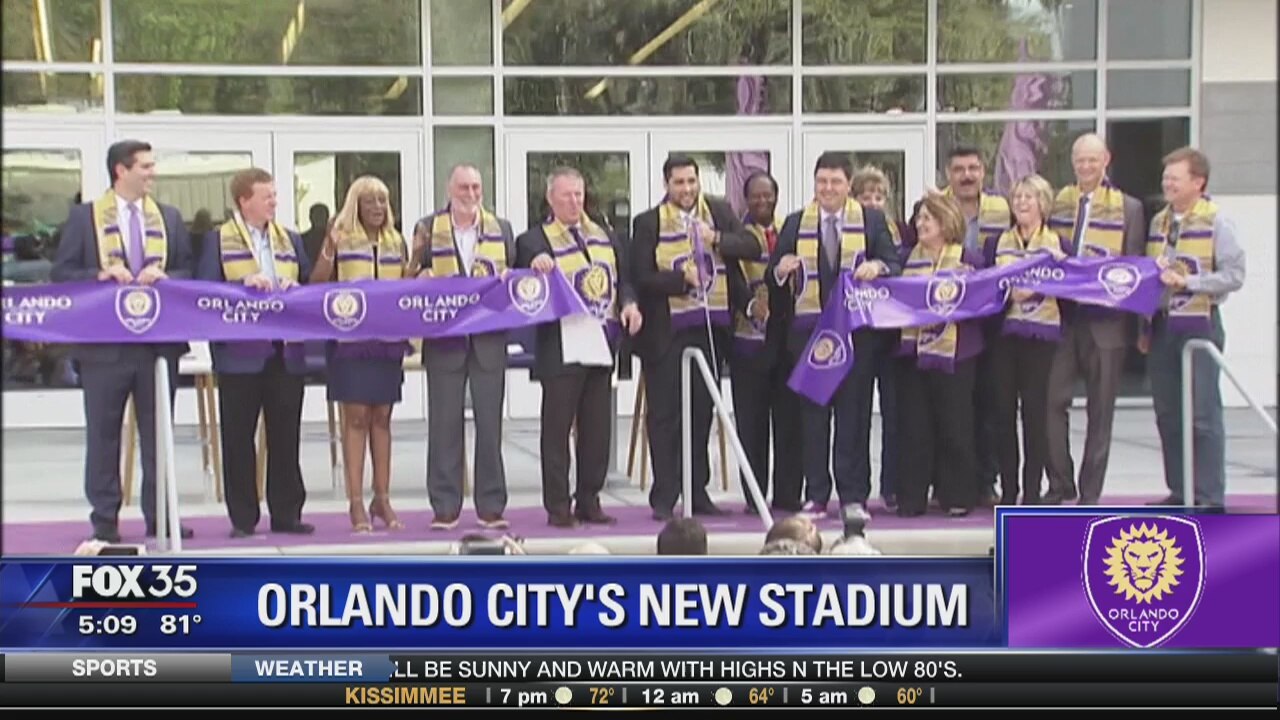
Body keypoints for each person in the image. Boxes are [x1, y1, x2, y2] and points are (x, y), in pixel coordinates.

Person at [51, 139, 194, 543]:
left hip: (157, 346)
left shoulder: (168, 217)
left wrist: (167, 278)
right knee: (104, 436)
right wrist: (98, 276)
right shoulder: (85, 218)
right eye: (145, 166)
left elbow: (188, 269)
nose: (153, 173)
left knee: (158, 438)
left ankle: (161, 516)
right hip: (103, 348)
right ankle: (105, 520)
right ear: (121, 171)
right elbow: (61, 273)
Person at [768, 152, 901, 521]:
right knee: (812, 420)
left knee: (853, 419)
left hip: (856, 338)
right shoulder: (796, 223)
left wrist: (879, 266)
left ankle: (852, 495)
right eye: (822, 182)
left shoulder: (871, 221)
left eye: (836, 182)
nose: (828, 189)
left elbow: (895, 262)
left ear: (848, 185)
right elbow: (772, 273)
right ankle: (816, 494)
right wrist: (781, 269)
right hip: (810, 339)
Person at [631, 154, 759, 521]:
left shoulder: (717, 211)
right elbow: (639, 275)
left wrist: (716, 238)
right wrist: (678, 281)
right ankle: (665, 494)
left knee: (701, 413)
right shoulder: (648, 222)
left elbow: (750, 246)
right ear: (666, 185)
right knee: (666, 416)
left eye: (691, 181)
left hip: (709, 327)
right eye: (679, 183)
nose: (686, 189)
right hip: (665, 331)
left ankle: (696, 490)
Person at [516, 167, 643, 527]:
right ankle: (558, 506)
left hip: (601, 342)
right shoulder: (534, 238)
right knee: (556, 430)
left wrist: (630, 305)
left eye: (578, 195)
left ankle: (590, 498)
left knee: (597, 429)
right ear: (550, 199)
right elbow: (522, 275)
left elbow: (625, 281)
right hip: (562, 344)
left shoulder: (605, 236)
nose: (574, 202)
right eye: (566, 196)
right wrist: (534, 264)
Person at [198, 167, 314, 538]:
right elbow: (205, 292)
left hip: (285, 351)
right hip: (239, 353)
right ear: (243, 201)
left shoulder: (290, 239)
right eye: (267, 197)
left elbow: (311, 285)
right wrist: (241, 286)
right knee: (238, 436)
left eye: (275, 196)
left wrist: (296, 285)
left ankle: (287, 513)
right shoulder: (218, 240)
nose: (274, 203)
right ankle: (243, 518)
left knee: (285, 435)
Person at [1044, 133, 1148, 505]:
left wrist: (1141, 328)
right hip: (1065, 318)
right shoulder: (1060, 203)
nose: (1085, 167)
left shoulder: (1129, 208)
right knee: (1050, 403)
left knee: (1100, 413)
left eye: (1092, 160)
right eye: (1079, 160)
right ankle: (1060, 483)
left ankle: (1091, 492)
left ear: (1106, 159)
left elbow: (1135, 269)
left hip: (1108, 324)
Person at [413, 164, 515, 530]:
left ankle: (491, 506)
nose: (469, 193)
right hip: (445, 341)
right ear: (448, 189)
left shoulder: (501, 228)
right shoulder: (427, 226)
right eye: (463, 187)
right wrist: (420, 276)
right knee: (444, 425)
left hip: (488, 341)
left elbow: (515, 282)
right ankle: (444, 506)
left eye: (475, 187)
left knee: (490, 426)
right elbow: (411, 278)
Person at [1144, 147, 1245, 513]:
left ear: (1198, 182)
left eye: (1175, 177)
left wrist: (1191, 283)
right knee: (1168, 414)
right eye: (1166, 177)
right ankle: (1180, 489)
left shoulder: (1218, 222)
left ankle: (1210, 495)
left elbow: (1235, 276)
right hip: (1163, 326)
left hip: (1200, 325)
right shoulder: (1159, 222)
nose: (1167, 183)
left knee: (1203, 414)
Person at [311, 176, 414, 532]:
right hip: (349, 340)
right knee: (355, 418)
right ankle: (355, 503)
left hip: (386, 340)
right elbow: (317, 285)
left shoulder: (394, 240)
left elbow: (404, 286)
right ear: (355, 203)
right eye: (369, 200)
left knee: (382, 418)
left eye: (383, 201)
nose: (377, 207)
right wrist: (328, 246)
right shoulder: (342, 237)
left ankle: (381, 498)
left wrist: (417, 259)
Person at [894, 193, 987, 518]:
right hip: (914, 354)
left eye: (927, 219)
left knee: (955, 425)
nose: (920, 224)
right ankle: (912, 497)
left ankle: (958, 494)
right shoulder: (905, 259)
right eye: (918, 218)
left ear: (946, 222)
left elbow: (987, 302)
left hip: (958, 352)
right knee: (915, 427)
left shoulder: (970, 259)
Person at [990, 175, 1070, 506]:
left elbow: (1070, 287)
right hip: (1005, 337)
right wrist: (1010, 290)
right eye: (1018, 197)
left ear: (1043, 203)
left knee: (1035, 416)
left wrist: (1047, 279)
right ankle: (1008, 491)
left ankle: (1032, 491)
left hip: (1042, 337)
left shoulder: (1057, 243)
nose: (1022, 202)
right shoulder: (999, 241)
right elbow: (988, 285)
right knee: (1003, 414)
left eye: (1029, 197)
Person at [729, 171, 803, 514]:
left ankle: (788, 495)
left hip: (787, 341)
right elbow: (729, 279)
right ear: (746, 201)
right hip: (750, 343)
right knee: (752, 424)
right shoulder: (737, 236)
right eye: (755, 197)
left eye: (767, 196)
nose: (762, 202)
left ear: (776, 197)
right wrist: (747, 303)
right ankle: (754, 497)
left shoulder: (791, 231)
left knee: (789, 424)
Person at [943, 146, 1011, 506]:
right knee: (954, 410)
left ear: (983, 172)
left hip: (993, 320)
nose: (966, 175)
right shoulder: (935, 210)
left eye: (973, 168)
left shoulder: (1004, 210)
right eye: (959, 169)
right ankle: (952, 484)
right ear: (948, 174)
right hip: (948, 325)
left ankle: (987, 481)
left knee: (991, 405)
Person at [851, 164, 907, 511]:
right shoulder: (848, 227)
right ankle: (856, 489)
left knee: (895, 413)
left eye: (879, 195)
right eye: (865, 195)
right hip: (859, 332)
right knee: (856, 413)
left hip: (894, 335)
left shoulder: (901, 231)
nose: (873, 201)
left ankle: (893, 486)